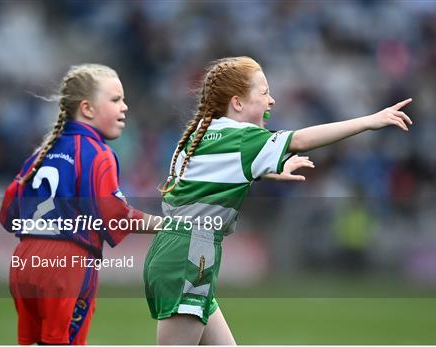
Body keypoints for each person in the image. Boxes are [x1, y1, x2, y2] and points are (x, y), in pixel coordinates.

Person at [143, 56, 413, 345]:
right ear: (237, 102)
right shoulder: (242, 137)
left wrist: (270, 171)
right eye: (263, 92)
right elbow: (300, 140)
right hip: (190, 255)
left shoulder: (200, 134)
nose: (271, 101)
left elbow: (208, 177)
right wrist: (369, 121)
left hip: (174, 250)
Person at [0, 64, 159, 345]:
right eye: (115, 99)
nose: (125, 107)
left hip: (23, 260)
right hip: (66, 265)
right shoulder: (98, 154)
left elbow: (7, 213)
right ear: (87, 109)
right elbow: (115, 214)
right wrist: (169, 224)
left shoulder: (39, 154)